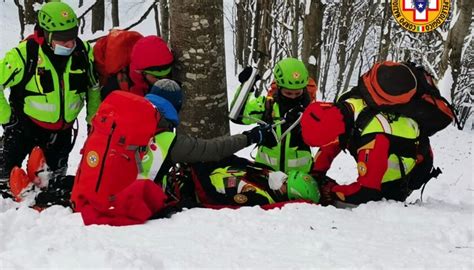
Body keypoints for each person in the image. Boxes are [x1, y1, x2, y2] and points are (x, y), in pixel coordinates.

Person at [300, 63, 437, 206]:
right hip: (388, 144)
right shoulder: (345, 107)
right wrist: (316, 174)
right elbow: (331, 144)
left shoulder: (373, 137)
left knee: (382, 198)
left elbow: (366, 192)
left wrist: (331, 191)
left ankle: (400, 189)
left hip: (415, 164)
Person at [0, 2, 100, 197]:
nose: (69, 44)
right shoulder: (24, 54)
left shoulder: (82, 53)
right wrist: (7, 120)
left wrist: (93, 122)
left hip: (61, 134)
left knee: (53, 187)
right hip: (24, 127)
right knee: (3, 181)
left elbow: (93, 88)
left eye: (72, 37)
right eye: (62, 40)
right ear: (46, 34)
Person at [235, 58, 317, 174]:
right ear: (279, 88)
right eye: (288, 93)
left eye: (297, 93)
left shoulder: (311, 111)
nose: (293, 97)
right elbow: (239, 116)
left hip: (299, 178)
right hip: (266, 173)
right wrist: (245, 87)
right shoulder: (268, 105)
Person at [161, 155, 320, 210]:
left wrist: (198, 170)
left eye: (285, 181)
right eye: (286, 175)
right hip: (192, 172)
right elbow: (237, 161)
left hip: (182, 188)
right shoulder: (266, 175)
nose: (281, 177)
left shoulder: (259, 198)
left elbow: (215, 200)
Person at [99, 35, 174, 100]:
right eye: (157, 77)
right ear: (141, 72)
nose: (163, 81)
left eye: (167, 76)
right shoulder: (114, 88)